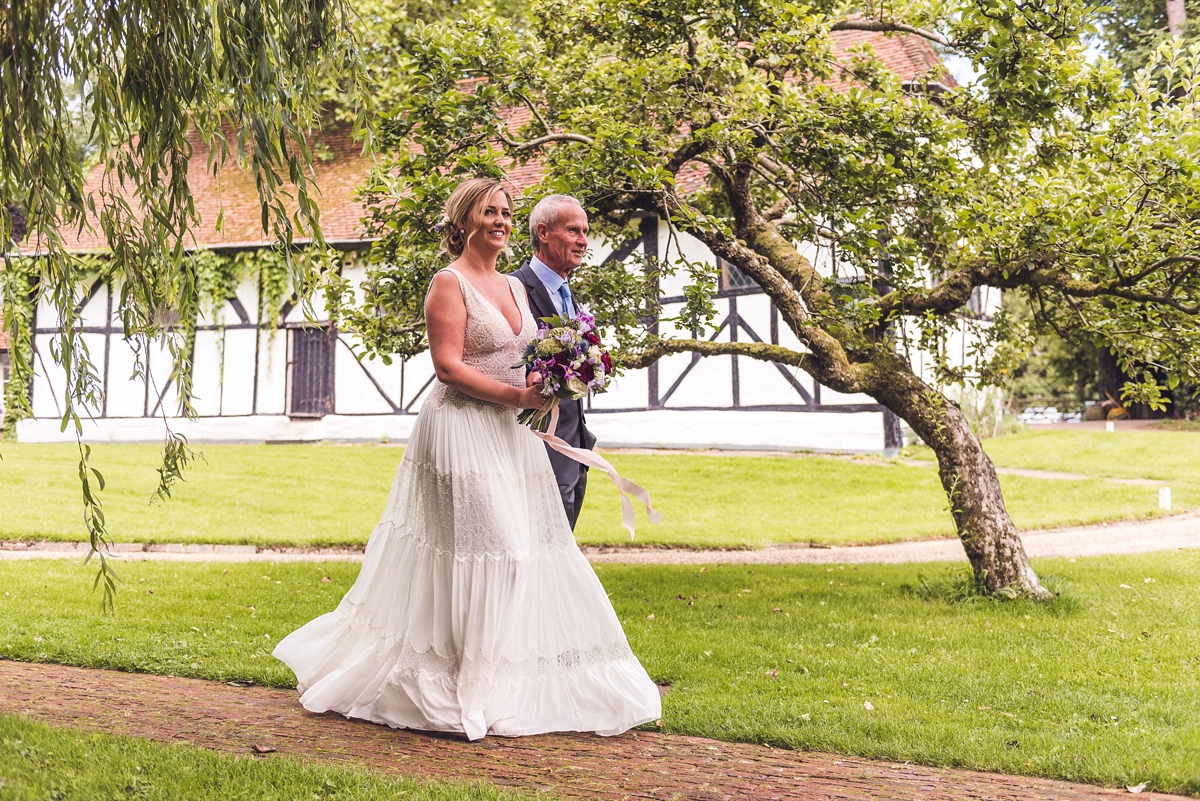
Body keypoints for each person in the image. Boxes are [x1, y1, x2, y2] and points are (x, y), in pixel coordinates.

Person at [273, 178, 661, 741]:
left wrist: (551, 375)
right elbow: (449, 368)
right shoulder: (447, 283)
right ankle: (464, 683)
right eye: (490, 212)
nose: (501, 221)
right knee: (493, 548)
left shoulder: (516, 287)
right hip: (460, 430)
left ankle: (501, 675)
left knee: (527, 552)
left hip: (515, 434)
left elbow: (524, 352)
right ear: (465, 221)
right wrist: (517, 396)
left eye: (507, 212)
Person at [512, 195, 596, 529]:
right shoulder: (514, 288)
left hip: (574, 446)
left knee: (560, 557)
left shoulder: (567, 293)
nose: (583, 240)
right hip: (535, 450)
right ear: (543, 232)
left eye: (585, 231)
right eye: (574, 230)